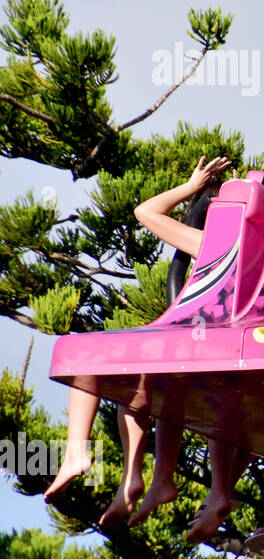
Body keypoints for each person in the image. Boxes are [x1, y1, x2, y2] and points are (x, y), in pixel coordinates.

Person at [44, 156, 231, 528]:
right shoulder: (260, 245)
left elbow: (145, 211)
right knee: (139, 387)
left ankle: (77, 453)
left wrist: (190, 188)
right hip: (207, 343)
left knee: (88, 354)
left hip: (205, 339)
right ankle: (146, 479)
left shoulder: (216, 244)